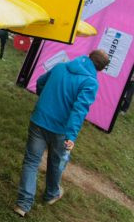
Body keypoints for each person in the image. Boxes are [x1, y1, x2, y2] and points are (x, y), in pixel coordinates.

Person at [14, 49, 110, 217]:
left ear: (88, 56)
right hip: (60, 131)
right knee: (56, 162)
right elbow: (79, 111)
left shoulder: (60, 67)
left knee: (31, 162)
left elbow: (40, 82)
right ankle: (51, 194)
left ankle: (23, 204)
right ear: (101, 69)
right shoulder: (90, 82)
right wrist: (71, 136)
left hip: (39, 120)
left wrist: (44, 98)